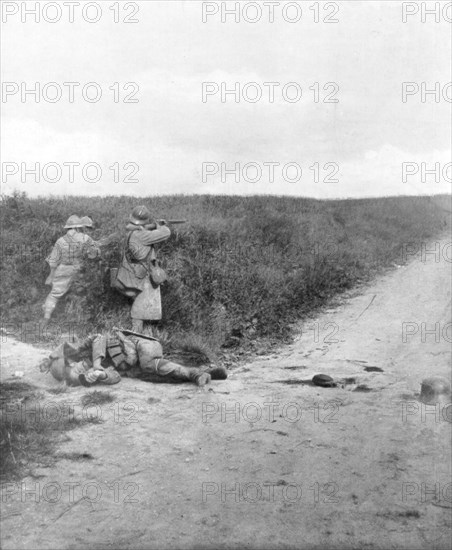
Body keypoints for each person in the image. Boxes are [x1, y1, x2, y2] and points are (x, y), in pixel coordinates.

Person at [39, 328, 228, 387]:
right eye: (76, 376)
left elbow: (100, 338)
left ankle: (196, 374)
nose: (80, 371)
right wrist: (101, 375)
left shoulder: (85, 348)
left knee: (149, 365)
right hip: (136, 364)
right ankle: (205, 373)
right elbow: (116, 377)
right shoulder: (94, 374)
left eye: (74, 369)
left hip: (139, 345)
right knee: (158, 375)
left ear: (73, 362)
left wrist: (96, 364)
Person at [113, 205, 171, 333]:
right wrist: (160, 225)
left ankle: (141, 333)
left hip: (132, 272)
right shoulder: (141, 235)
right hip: (143, 276)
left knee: (141, 304)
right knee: (142, 306)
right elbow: (166, 233)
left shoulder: (131, 232)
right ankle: (139, 334)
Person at [41, 215, 100, 326]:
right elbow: (95, 253)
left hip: (63, 269)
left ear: (68, 228)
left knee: (54, 295)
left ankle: (46, 318)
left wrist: (51, 275)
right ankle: (79, 320)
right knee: (81, 293)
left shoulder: (60, 240)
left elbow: (53, 261)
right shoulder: (85, 238)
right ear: (78, 227)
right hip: (79, 269)